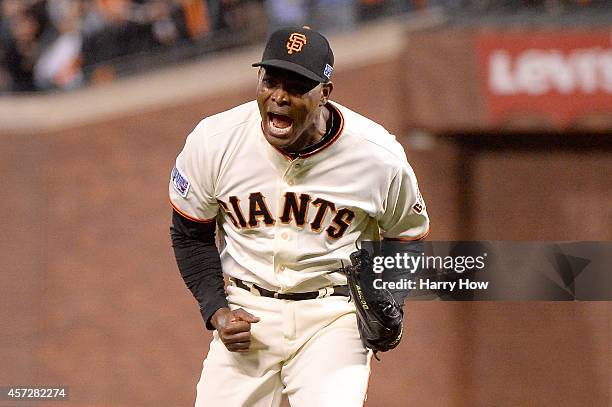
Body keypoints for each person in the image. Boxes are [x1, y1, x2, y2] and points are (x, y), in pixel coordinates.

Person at [169, 25, 429, 406]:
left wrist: (392, 295)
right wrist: (216, 310)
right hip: (248, 310)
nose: (279, 97)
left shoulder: (377, 156)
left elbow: (407, 237)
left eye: (296, 86)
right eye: (270, 81)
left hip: (332, 318)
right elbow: (189, 233)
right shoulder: (215, 140)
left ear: (325, 93)